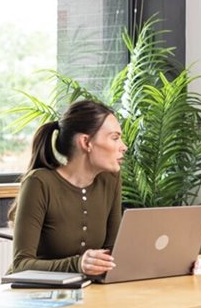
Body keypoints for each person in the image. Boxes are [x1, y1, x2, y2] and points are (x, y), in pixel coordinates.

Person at [7, 99, 127, 277]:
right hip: (34, 291)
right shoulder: (38, 183)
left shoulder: (110, 180)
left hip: (89, 290)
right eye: (115, 138)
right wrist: (77, 264)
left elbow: (112, 253)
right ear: (86, 142)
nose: (123, 147)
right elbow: (20, 265)